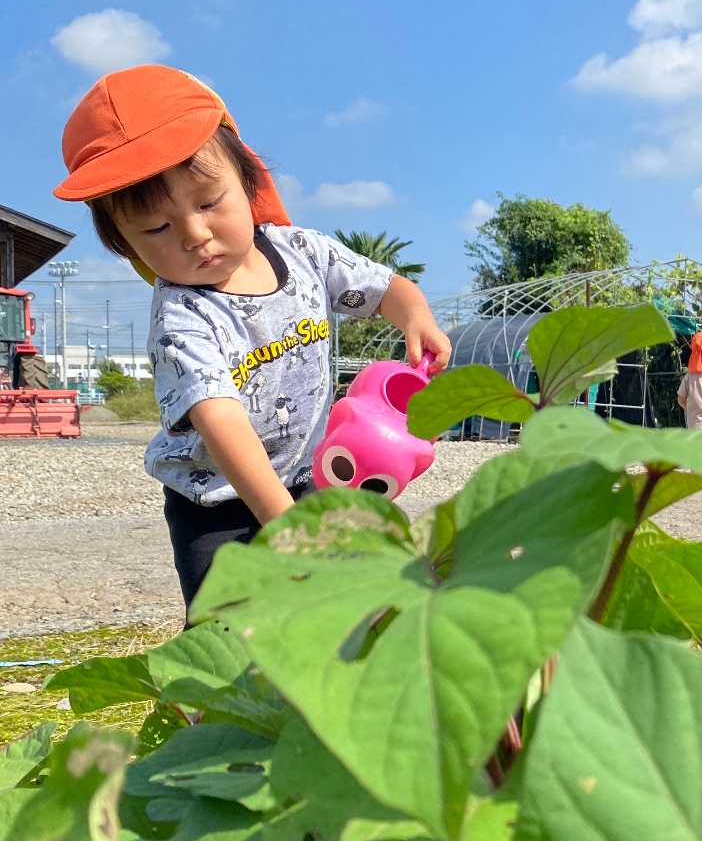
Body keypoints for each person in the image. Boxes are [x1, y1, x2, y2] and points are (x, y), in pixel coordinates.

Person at [53, 65, 451, 609]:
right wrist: (283, 526)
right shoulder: (183, 317)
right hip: (217, 505)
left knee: (334, 612)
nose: (195, 235)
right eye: (156, 229)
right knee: (229, 635)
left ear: (248, 181)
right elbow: (222, 424)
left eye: (208, 202)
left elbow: (385, 287)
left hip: (311, 475)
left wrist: (414, 316)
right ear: (125, 244)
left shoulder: (303, 252)